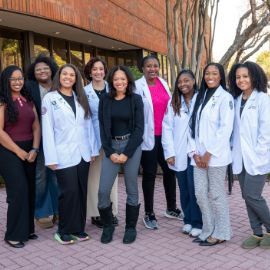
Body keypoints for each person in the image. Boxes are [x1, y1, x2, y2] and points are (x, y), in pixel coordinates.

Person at [42, 64, 98, 245]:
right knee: (68, 192)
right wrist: (50, 157)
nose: (68, 77)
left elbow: (88, 126)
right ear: (59, 76)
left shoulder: (79, 97)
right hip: (62, 153)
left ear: (76, 79)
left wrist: (93, 150)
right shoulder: (50, 99)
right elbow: (47, 130)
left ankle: (78, 229)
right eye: (64, 74)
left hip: (83, 153)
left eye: (72, 75)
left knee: (81, 190)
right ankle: (64, 230)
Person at [188, 63, 234, 246]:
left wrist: (209, 153)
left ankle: (222, 232)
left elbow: (225, 128)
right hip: (198, 157)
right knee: (200, 193)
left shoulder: (226, 98)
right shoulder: (199, 96)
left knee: (216, 194)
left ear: (221, 76)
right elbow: (191, 126)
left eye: (214, 73)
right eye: (207, 73)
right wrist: (194, 153)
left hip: (216, 157)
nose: (210, 76)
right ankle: (208, 229)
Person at [135, 55, 182, 230]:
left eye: (155, 66)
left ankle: (171, 208)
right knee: (149, 175)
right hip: (148, 137)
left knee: (170, 171)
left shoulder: (162, 82)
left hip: (165, 136)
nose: (152, 69)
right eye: (148, 66)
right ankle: (149, 213)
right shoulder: (138, 86)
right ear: (142, 68)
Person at [98, 65, 144, 244]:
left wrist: (126, 153)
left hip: (131, 145)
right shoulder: (105, 100)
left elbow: (140, 129)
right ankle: (108, 226)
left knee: (132, 187)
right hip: (111, 146)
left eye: (123, 79)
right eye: (116, 79)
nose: (119, 82)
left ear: (128, 81)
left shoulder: (136, 99)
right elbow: (102, 127)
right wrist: (110, 152)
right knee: (103, 190)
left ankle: (130, 228)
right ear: (111, 81)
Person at [228, 61, 270, 249]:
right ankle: (257, 233)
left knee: (253, 195)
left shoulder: (262, 99)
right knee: (246, 195)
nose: (241, 80)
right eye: (238, 77)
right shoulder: (237, 101)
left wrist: (260, 153)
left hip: (257, 157)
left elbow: (266, 131)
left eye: (245, 76)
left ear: (254, 76)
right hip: (241, 157)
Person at [0, 65, 40, 248]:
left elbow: (36, 126)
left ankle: (28, 229)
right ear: (6, 81)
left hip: (30, 150)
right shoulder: (2, 102)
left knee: (30, 189)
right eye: (13, 79)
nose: (18, 82)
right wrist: (20, 152)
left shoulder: (28, 99)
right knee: (19, 191)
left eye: (20, 78)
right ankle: (13, 234)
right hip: (8, 150)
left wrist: (34, 149)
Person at [162, 70, 202, 237]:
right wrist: (169, 153)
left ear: (193, 81)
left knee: (195, 189)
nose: (183, 84)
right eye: (180, 82)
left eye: (187, 80)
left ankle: (198, 222)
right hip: (179, 153)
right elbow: (167, 128)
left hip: (196, 153)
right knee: (184, 189)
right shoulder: (174, 103)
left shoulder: (201, 99)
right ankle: (188, 220)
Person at [84, 57, 118, 228]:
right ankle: (97, 213)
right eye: (94, 69)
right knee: (94, 178)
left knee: (111, 177)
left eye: (101, 69)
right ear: (89, 72)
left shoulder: (113, 89)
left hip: (112, 139)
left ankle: (111, 210)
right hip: (94, 139)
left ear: (105, 71)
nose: (98, 72)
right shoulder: (84, 92)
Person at [26, 55, 59, 229]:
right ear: (34, 72)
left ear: (51, 69)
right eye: (38, 69)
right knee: (41, 177)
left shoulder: (59, 85)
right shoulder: (29, 87)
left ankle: (58, 210)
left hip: (58, 140)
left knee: (56, 176)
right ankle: (41, 212)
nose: (42, 71)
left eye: (45, 68)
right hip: (38, 139)